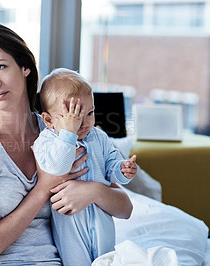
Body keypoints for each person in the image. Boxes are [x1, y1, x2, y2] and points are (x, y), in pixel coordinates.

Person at [0, 22, 133, 265]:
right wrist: (43, 189)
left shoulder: (62, 131)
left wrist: (94, 191)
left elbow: (125, 208)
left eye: (0, 67)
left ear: (25, 67)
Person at [33, 68, 137, 265]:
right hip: (70, 224)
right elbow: (58, 167)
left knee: (105, 258)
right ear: (48, 120)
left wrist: (123, 171)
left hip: (101, 216)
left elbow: (111, 166)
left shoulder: (99, 137)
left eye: (89, 113)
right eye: (74, 117)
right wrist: (68, 134)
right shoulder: (47, 141)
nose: (84, 123)